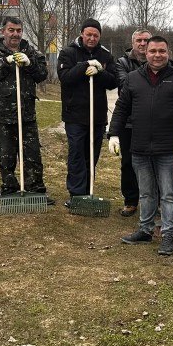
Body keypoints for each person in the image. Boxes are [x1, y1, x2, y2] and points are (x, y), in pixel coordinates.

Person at [110, 36, 173, 256]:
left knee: (168, 194)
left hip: (168, 148)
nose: (157, 55)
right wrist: (113, 133)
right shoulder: (133, 78)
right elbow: (122, 108)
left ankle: (168, 234)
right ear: (146, 53)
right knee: (146, 193)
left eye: (162, 51)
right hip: (139, 147)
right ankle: (145, 229)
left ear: (168, 53)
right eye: (153, 51)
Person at [0, 16, 51, 202]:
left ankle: (35, 190)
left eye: (18, 30)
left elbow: (43, 74)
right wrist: (6, 61)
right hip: (1, 116)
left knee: (32, 155)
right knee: (6, 155)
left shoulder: (30, 50)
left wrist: (29, 64)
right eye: (11, 30)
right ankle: (10, 190)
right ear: (3, 31)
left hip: (26, 114)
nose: (15, 34)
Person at [57, 19, 117, 208]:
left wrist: (99, 71)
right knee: (76, 154)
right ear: (82, 33)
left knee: (92, 154)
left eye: (95, 35)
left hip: (97, 116)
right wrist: (83, 66)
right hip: (75, 114)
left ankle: (89, 189)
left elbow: (113, 81)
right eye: (88, 34)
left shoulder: (106, 55)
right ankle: (76, 194)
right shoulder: (68, 53)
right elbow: (65, 78)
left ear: (99, 36)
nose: (92, 38)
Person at [114, 28, 151, 216]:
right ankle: (130, 200)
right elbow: (125, 85)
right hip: (128, 122)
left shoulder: (159, 61)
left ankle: (154, 201)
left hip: (152, 122)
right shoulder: (122, 62)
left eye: (146, 40)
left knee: (152, 162)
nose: (143, 44)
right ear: (133, 42)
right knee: (128, 163)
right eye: (139, 40)